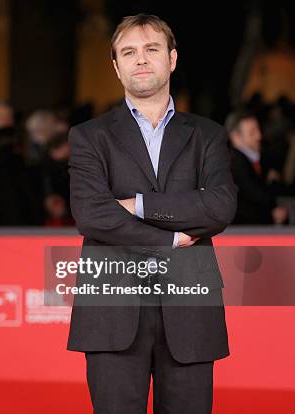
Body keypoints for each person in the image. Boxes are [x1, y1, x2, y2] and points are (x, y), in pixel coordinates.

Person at [67, 14, 237, 414]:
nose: (140, 59)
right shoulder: (88, 136)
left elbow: (219, 206)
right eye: (128, 52)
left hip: (191, 307)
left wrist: (137, 204)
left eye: (151, 49)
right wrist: (170, 238)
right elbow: (92, 215)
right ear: (116, 66)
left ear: (172, 59)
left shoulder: (208, 135)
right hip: (112, 308)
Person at [226, 110, 289, 224]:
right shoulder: (234, 163)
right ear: (236, 137)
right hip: (244, 232)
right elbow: (255, 193)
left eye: (258, 130)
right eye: (252, 132)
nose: (259, 136)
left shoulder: (260, 159)